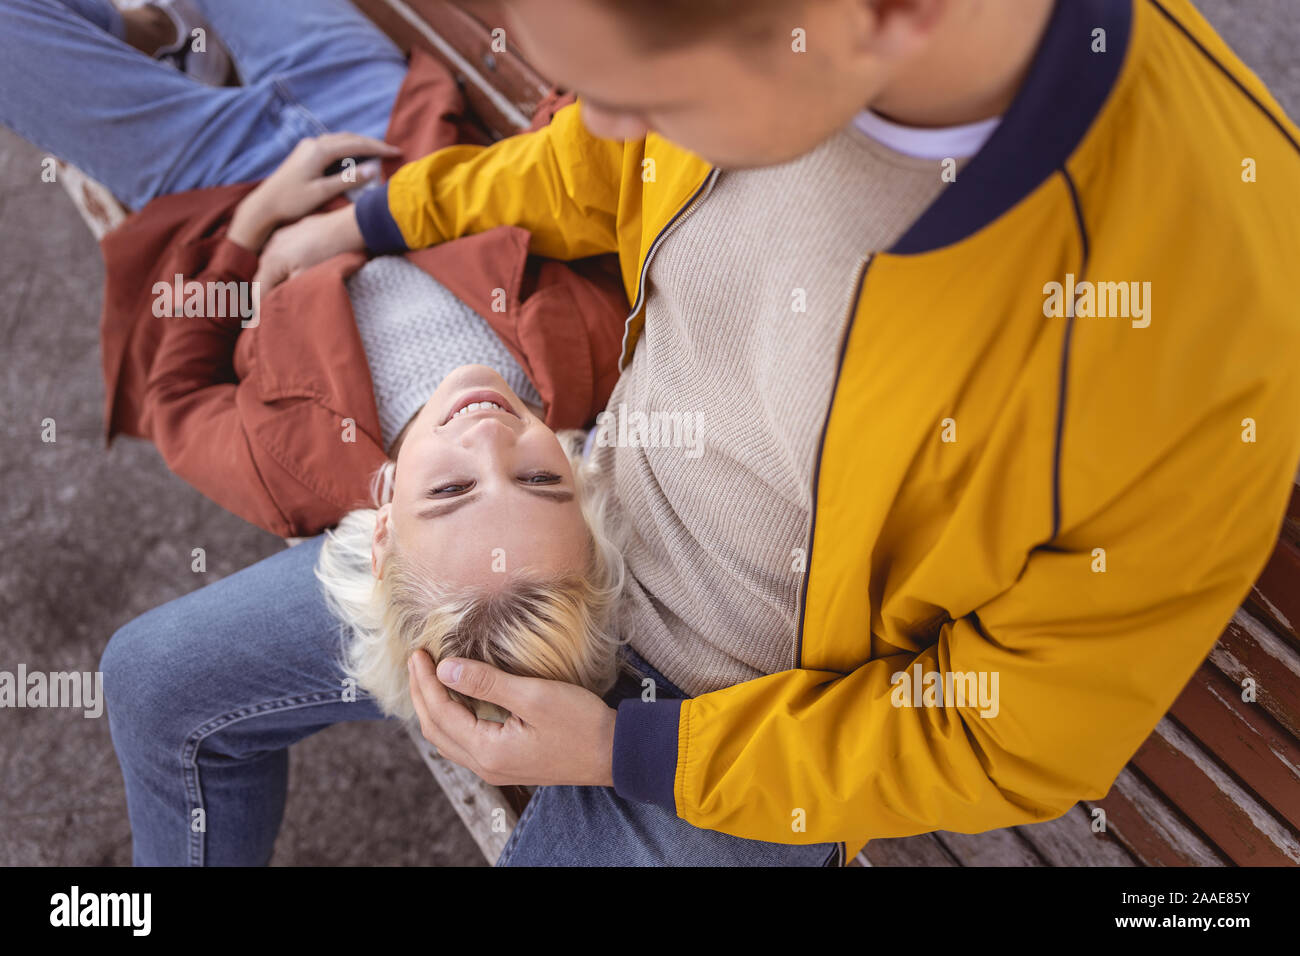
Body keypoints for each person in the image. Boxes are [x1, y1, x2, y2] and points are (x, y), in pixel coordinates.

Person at [45, 0, 1300, 866]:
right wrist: (383, 216)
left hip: (747, 722)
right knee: (157, 680)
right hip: (574, 510)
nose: (603, 125)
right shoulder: (764, 52)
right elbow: (579, 167)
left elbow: (1007, 735)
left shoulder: (1202, 325)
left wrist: (624, 745)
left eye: (649, 96)